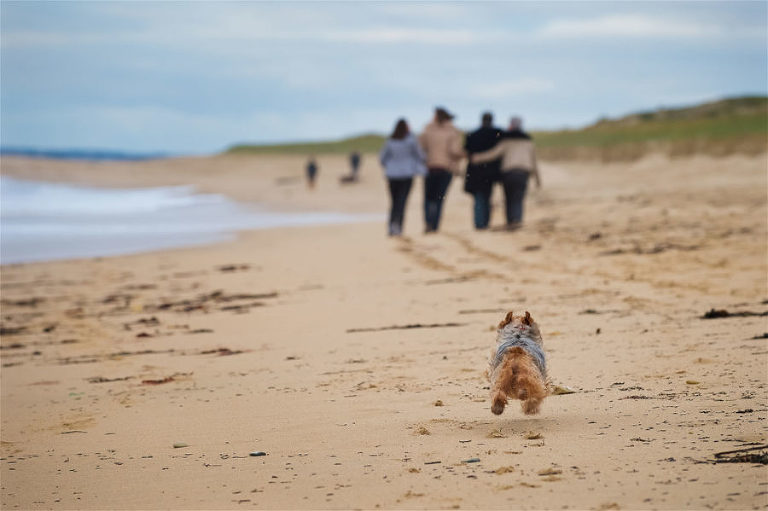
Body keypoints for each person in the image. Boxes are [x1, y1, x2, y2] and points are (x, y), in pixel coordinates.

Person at [471, 116, 541, 228]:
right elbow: (534, 161)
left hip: (508, 173)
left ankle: (510, 221)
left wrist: (477, 158)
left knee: (509, 198)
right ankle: (516, 220)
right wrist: (538, 179)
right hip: (523, 173)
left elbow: (493, 154)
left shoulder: (506, 141)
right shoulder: (528, 141)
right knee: (518, 198)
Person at [418, 106, 465, 233]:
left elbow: (420, 149)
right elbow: (454, 151)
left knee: (428, 198)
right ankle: (435, 225)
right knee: (439, 199)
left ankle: (428, 221)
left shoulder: (427, 130)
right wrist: (463, 155)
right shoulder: (453, 132)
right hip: (446, 168)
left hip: (430, 168)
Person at [379, 119, 426, 236]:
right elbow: (420, 156)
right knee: (402, 201)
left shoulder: (390, 141)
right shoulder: (411, 142)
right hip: (406, 174)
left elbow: (382, 159)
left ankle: (392, 225)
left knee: (394, 201)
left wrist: (390, 166)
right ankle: (398, 226)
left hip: (392, 175)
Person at [464, 112, 503, 230]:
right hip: (491, 172)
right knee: (487, 197)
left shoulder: (473, 134)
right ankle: (484, 223)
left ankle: (479, 224)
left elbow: (467, 152)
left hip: (475, 171)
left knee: (478, 198)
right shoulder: (497, 134)